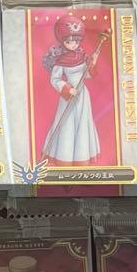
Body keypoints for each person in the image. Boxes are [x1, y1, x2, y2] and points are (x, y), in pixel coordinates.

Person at [41, 14, 101, 163]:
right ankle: (64, 158)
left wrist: (93, 62)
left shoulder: (82, 56)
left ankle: (81, 159)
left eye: (76, 41)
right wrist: (67, 89)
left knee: (82, 123)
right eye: (69, 41)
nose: (73, 44)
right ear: (62, 41)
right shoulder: (60, 60)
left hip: (82, 96)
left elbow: (87, 75)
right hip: (68, 96)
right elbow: (54, 79)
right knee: (67, 123)